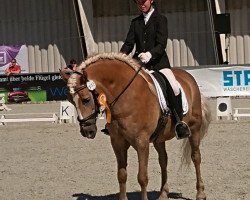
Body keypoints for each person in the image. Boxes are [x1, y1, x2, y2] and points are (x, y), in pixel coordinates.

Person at [118, 0, 190, 139]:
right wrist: (119, 58)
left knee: (174, 87)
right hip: (139, 64)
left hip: (159, 63)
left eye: (143, 1)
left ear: (151, 0)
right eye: (138, 3)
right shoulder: (135, 22)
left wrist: (150, 54)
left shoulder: (161, 19)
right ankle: (116, 123)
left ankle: (179, 123)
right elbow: (128, 43)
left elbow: (161, 43)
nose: (141, 5)